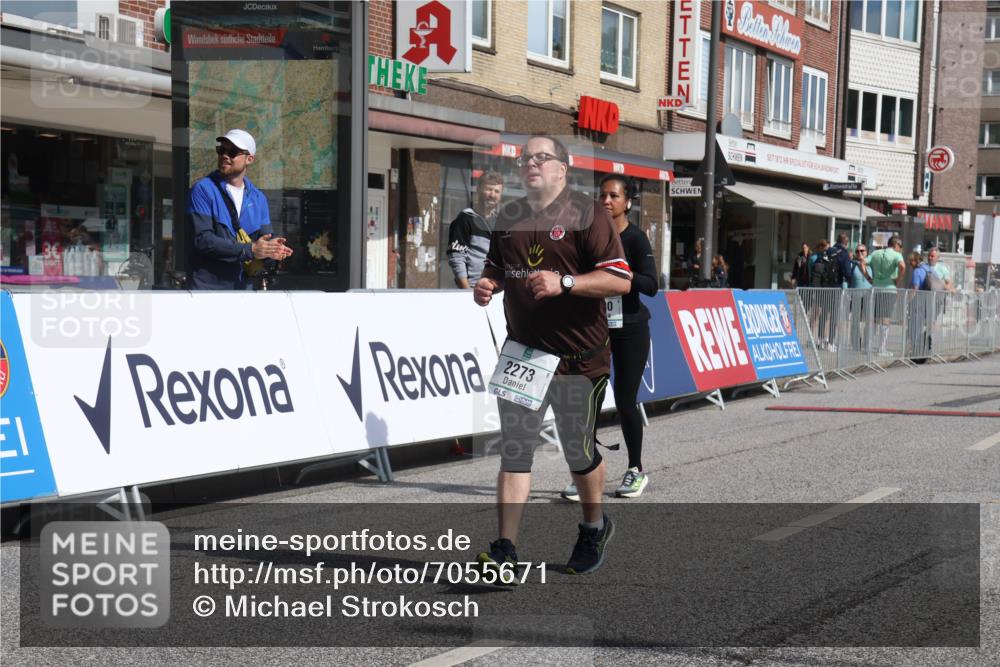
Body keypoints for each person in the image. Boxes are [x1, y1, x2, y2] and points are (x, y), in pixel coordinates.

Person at [473, 135, 631, 577]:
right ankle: (505, 549)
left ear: (564, 167)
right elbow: (499, 267)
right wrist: (489, 284)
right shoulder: (508, 216)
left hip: (579, 357)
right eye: (525, 159)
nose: (531, 165)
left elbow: (620, 281)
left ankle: (594, 525)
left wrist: (566, 284)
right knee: (515, 451)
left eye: (542, 158)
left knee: (578, 452)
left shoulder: (588, 215)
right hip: (524, 354)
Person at [561, 174, 656, 502]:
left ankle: (635, 469)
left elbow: (652, 285)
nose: (605, 201)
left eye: (613, 196)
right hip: (595, 328)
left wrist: (621, 274)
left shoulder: (636, 239)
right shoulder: (589, 238)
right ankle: (587, 472)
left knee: (626, 400)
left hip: (630, 327)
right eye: (601, 195)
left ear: (627, 202)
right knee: (590, 401)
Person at [187, 129, 292, 290]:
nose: (224, 155)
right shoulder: (202, 189)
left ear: (249, 159)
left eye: (233, 152)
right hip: (207, 289)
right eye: (221, 150)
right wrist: (251, 249)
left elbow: (264, 237)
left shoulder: (258, 198)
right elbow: (203, 240)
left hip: (243, 288)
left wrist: (272, 250)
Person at [447, 171, 504, 288]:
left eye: (497, 191)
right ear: (478, 189)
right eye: (489, 189)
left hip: (496, 289)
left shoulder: (500, 221)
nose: (492, 194)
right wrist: (466, 290)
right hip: (474, 288)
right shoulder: (465, 219)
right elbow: (457, 257)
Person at [867, 235, 906, 355]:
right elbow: (902, 266)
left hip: (876, 288)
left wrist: (868, 278)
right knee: (885, 319)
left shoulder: (876, 253)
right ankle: (881, 348)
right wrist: (898, 280)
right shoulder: (896, 254)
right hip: (889, 289)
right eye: (901, 247)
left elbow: (862, 262)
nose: (901, 249)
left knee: (875, 319)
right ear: (896, 245)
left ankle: (869, 346)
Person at [848, 244, 873, 353]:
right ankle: (856, 345)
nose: (860, 253)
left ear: (866, 252)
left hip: (868, 295)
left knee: (869, 321)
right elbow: (847, 279)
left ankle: (867, 345)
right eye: (857, 251)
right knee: (855, 321)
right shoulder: (851, 265)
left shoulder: (871, 265)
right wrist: (846, 292)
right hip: (856, 296)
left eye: (862, 251)